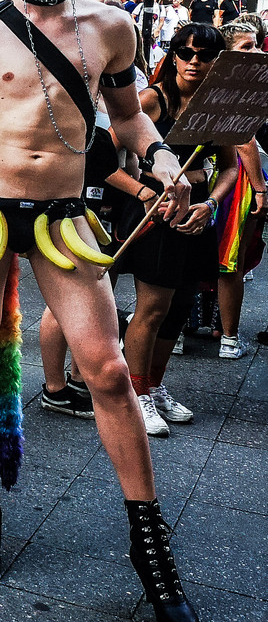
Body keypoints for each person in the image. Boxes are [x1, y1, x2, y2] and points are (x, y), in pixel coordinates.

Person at [0, 0, 198, 622]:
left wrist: (165, 164)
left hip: (64, 214)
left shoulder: (112, 27)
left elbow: (128, 122)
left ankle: (150, 546)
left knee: (109, 368)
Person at [114, 23, 236, 436]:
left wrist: (211, 203)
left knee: (179, 308)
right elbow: (102, 157)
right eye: (185, 52)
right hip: (157, 216)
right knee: (153, 308)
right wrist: (143, 193)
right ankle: (136, 395)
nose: (194, 61)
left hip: (195, 217)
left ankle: (154, 385)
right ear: (173, 55)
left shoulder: (214, 107)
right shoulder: (151, 100)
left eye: (204, 55)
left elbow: (231, 166)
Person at [213, 21, 265, 360]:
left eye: (256, 44)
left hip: (217, 178)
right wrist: (260, 189)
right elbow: (244, 141)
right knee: (231, 260)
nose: (256, 51)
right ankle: (229, 339)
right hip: (238, 182)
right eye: (246, 47)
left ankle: (184, 334)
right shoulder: (234, 85)